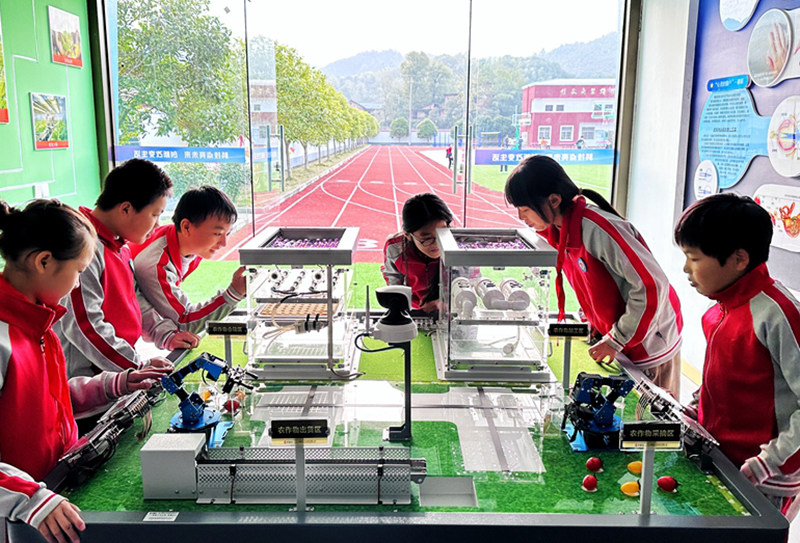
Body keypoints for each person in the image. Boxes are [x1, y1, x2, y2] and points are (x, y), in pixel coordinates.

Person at [0, 199, 169, 543]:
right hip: (19, 518)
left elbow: (44, 402)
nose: (78, 284)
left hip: (53, 492)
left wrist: (113, 384)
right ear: (44, 261)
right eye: (78, 271)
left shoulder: (39, 323)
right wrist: (30, 499)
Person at [505, 155, 683, 396]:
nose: (521, 217)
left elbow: (652, 286)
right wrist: (596, 323)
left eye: (524, 209)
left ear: (554, 200)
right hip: (622, 342)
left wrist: (616, 339)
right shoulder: (560, 231)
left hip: (649, 346)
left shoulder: (598, 229)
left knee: (647, 415)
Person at [675, 193, 800, 519]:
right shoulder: (718, 311)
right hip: (721, 456)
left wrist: (768, 461)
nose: (686, 269)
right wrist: (694, 407)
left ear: (739, 259)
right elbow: (720, 377)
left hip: (766, 477)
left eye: (694, 258)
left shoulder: (778, 315)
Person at [57, 158, 178, 380]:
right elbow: (85, 326)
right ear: (126, 209)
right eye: (155, 214)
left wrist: (164, 333)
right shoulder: (84, 250)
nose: (157, 225)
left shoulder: (120, 246)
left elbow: (135, 300)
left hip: (117, 374)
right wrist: (136, 366)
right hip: (88, 382)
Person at [132, 186, 246, 349]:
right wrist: (233, 294)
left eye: (227, 234)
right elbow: (184, 322)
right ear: (186, 227)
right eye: (217, 234)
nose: (224, 243)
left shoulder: (191, 248)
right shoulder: (155, 264)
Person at [382, 193, 454, 312]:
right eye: (427, 238)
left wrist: (445, 302)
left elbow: (469, 284)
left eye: (441, 234)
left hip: (450, 309)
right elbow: (394, 285)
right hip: (412, 310)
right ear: (407, 234)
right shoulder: (395, 248)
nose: (436, 243)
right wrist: (407, 305)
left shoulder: (456, 246)